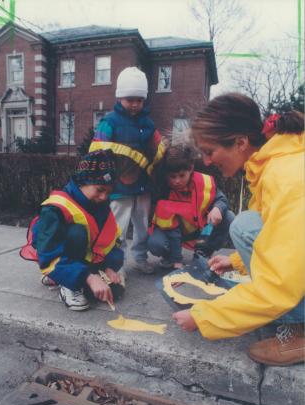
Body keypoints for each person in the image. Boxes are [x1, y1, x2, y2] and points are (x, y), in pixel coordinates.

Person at [171, 95, 305, 366]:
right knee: (247, 224)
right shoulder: (277, 162)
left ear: (241, 142)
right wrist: (235, 261)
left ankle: (298, 334)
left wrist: (205, 316)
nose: (207, 162)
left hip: (286, 283)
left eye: (209, 151)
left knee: (243, 225)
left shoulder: (286, 177)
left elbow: (280, 281)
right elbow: (279, 239)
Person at [20, 150, 124, 311]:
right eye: (100, 189)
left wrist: (110, 267)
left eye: (109, 192)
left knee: (115, 292)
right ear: (82, 182)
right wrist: (88, 277)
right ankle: (67, 285)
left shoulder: (100, 205)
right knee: (77, 232)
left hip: (83, 258)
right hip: (55, 258)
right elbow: (48, 257)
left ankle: (62, 277)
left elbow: (111, 239)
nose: (104, 197)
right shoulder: (55, 209)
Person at [89, 66, 166, 275]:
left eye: (139, 100)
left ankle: (140, 257)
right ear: (119, 97)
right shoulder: (109, 122)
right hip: (118, 185)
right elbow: (97, 149)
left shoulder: (148, 123)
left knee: (142, 225)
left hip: (143, 184)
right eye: (129, 99)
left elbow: (159, 146)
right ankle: (116, 263)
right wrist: (102, 179)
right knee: (118, 227)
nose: (135, 104)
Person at [147, 145, 234, 269]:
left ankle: (203, 252)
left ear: (191, 169)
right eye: (173, 177)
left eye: (182, 175)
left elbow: (221, 199)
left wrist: (217, 208)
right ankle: (170, 256)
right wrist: (177, 260)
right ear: (166, 175)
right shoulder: (163, 191)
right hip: (172, 231)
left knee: (229, 217)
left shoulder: (203, 182)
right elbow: (172, 230)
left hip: (200, 229)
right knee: (155, 244)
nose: (177, 181)